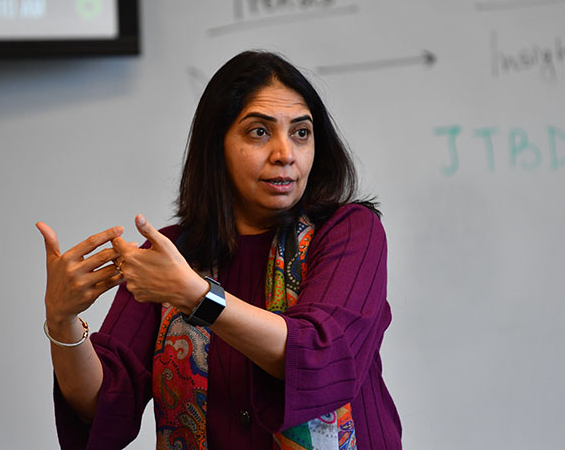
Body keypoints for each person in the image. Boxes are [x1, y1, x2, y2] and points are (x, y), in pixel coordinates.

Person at [37, 50, 401, 450]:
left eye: (301, 132)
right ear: (218, 146)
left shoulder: (349, 230)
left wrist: (196, 296)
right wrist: (61, 320)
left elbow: (323, 353)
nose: (285, 153)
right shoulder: (172, 252)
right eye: (259, 132)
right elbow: (104, 405)